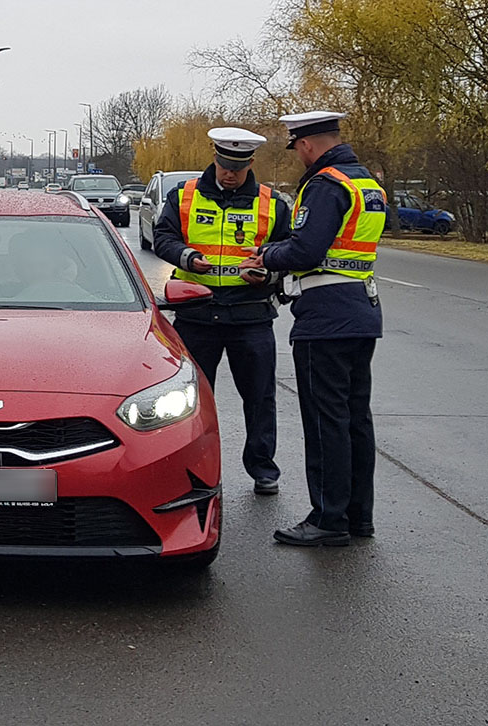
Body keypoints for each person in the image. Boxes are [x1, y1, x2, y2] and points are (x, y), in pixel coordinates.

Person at [240, 111, 385, 547]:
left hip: (325, 318)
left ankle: (327, 518)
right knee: (356, 420)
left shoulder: (325, 184)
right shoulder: (366, 183)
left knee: (326, 423)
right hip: (362, 310)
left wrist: (265, 256)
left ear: (306, 145)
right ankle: (359, 516)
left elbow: (306, 249)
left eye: (298, 148)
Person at [153, 127, 291, 495]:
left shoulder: (271, 203)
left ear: (249, 164)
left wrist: (268, 271)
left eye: (238, 167)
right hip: (197, 314)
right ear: (214, 158)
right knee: (190, 400)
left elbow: (289, 251)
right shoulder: (183, 195)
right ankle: (192, 469)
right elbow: (163, 237)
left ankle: (263, 469)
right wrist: (187, 257)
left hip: (251, 315)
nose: (229, 173)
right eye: (224, 164)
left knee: (260, 397)